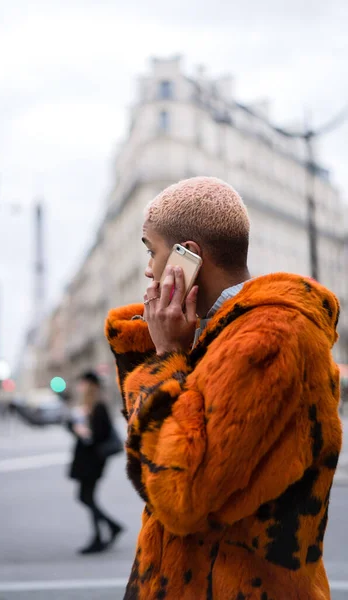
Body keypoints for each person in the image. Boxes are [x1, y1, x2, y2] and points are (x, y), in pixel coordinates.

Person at [105, 176, 342, 599]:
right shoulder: (214, 334)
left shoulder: (270, 336)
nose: (147, 267)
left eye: (150, 249)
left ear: (187, 256)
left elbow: (180, 497)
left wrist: (163, 360)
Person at [68, 370, 124, 554]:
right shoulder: (87, 406)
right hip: (87, 459)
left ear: (90, 386)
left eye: (83, 384)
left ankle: (103, 534)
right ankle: (107, 530)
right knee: (86, 497)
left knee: (86, 497)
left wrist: (83, 432)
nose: (80, 387)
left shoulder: (98, 406)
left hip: (93, 460)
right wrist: (74, 427)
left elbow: (101, 434)